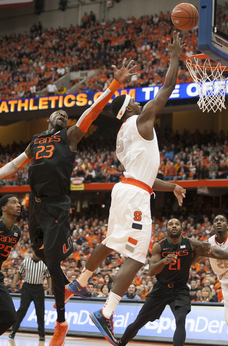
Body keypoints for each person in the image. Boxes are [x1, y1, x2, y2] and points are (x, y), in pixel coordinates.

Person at [0, 59, 137, 346]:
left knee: (50, 257)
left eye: (65, 113)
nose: (62, 114)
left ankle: (61, 323)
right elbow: (14, 165)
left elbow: (93, 109)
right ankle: (65, 253)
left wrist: (114, 85)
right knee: (41, 253)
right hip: (36, 207)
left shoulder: (71, 135)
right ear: (48, 119)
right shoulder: (36, 141)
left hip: (58, 206)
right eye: (58, 112)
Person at [64, 31, 186, 346]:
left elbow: (144, 177)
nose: (143, 103)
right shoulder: (143, 120)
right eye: (136, 102)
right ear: (131, 110)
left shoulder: (124, 138)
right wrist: (174, 57)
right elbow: (168, 88)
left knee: (111, 241)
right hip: (134, 196)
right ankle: (106, 313)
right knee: (136, 256)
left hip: (127, 188)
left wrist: (170, 185)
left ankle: (81, 281)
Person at [118, 218, 228, 346]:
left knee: (181, 320)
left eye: (177, 224)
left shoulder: (191, 243)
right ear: (166, 229)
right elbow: (151, 271)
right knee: (139, 321)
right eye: (171, 224)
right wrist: (163, 261)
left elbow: (214, 252)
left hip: (180, 290)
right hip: (161, 288)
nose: (174, 226)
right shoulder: (159, 246)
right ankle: (121, 343)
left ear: (182, 229)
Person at [208, 215, 228, 339]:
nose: (219, 222)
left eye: (222, 220)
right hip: (226, 284)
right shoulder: (208, 243)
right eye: (216, 221)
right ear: (213, 226)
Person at [9, 250, 51, 341]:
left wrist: (50, 288)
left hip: (38, 288)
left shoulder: (44, 263)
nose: (36, 254)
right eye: (35, 252)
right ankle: (13, 331)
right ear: (32, 252)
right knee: (22, 309)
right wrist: (14, 283)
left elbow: (48, 276)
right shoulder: (26, 261)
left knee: (40, 312)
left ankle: (42, 335)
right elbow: (19, 273)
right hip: (27, 287)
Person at [0, 194, 21, 336]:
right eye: (13, 202)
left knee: (10, 316)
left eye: (19, 202)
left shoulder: (16, 232)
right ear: (4, 208)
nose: (18, 205)